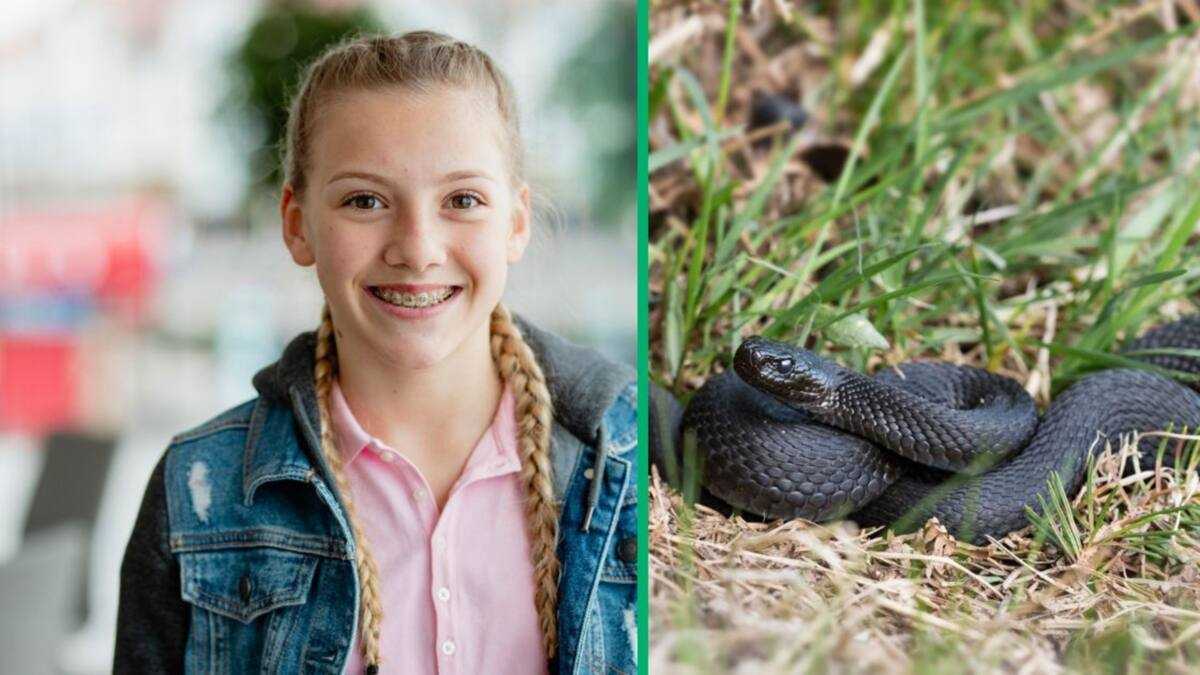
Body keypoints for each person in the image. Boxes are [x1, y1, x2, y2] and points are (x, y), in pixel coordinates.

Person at [113, 31, 637, 674]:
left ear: (516, 223)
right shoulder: (198, 491)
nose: (417, 248)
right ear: (297, 223)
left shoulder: (633, 462)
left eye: (462, 200)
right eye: (365, 200)